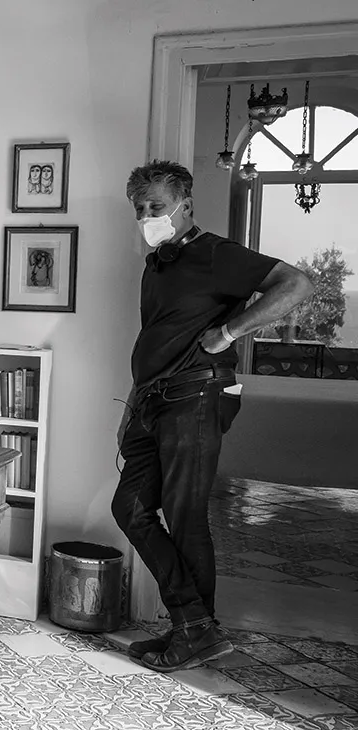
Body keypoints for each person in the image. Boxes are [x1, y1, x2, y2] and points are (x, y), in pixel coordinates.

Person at [114, 161, 314, 673]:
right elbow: (157, 338)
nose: (146, 215)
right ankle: (195, 626)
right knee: (130, 508)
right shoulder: (158, 264)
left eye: (157, 206)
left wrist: (228, 333)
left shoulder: (215, 253)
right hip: (153, 400)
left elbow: (296, 284)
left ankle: (194, 632)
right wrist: (133, 404)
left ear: (185, 205)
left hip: (195, 396)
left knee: (184, 516)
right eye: (140, 207)